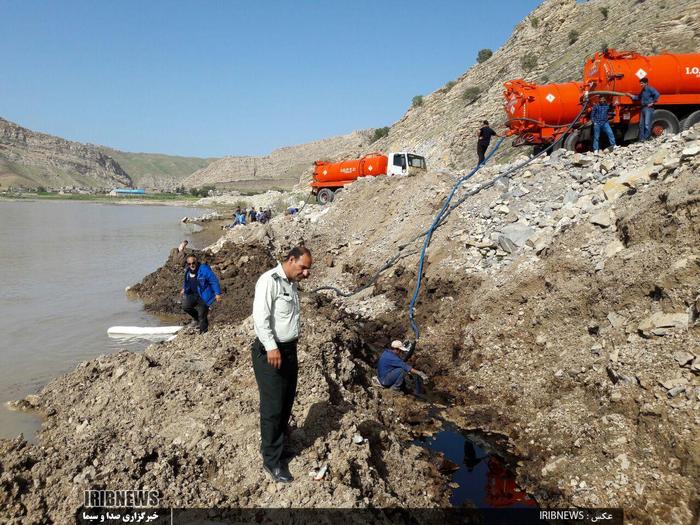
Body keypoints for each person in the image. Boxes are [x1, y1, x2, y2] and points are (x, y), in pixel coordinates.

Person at [252, 245, 313, 483]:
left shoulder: (291, 283)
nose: (306, 273)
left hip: (288, 350)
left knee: (286, 400)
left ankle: (278, 447)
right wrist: (271, 347)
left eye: (308, 269)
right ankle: (271, 461)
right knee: (273, 407)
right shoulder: (270, 280)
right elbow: (260, 317)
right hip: (271, 352)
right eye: (303, 268)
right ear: (290, 260)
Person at [180, 254, 222, 333]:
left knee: (202, 315)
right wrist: (183, 289)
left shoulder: (204, 269)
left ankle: (203, 332)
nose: (191, 265)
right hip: (192, 294)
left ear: (196, 261)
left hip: (204, 295)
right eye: (189, 264)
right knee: (185, 306)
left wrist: (217, 293)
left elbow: (214, 281)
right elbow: (186, 281)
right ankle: (196, 319)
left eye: (193, 263)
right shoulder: (188, 270)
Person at [632, 77, 660, 142]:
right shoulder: (642, 90)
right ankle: (641, 138)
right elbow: (638, 97)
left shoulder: (650, 89)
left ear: (646, 83)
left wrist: (652, 103)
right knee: (641, 124)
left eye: (642, 83)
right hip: (643, 108)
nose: (640, 85)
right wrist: (631, 96)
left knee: (647, 124)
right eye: (640, 83)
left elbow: (657, 94)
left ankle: (646, 138)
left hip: (648, 108)